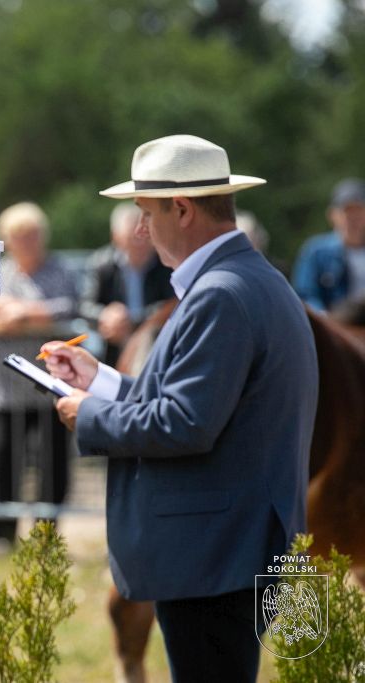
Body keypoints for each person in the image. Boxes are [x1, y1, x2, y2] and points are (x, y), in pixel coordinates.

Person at [42, 134, 317, 682]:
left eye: (147, 214)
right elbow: (197, 403)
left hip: (215, 554)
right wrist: (103, 382)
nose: (141, 230)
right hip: (230, 547)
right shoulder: (249, 279)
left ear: (183, 209)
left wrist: (85, 414)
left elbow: (184, 422)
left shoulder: (220, 292)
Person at [0, 202, 77, 545]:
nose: (26, 241)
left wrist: (22, 314)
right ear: (6, 239)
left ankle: (46, 534)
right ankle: (2, 534)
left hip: (51, 386)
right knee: (4, 462)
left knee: (53, 464)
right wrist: (33, 316)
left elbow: (69, 307)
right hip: (7, 388)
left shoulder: (60, 271)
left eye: (32, 234)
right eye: (19, 235)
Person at [80, 203, 173, 367]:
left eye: (144, 236)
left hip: (155, 342)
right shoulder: (100, 264)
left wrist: (131, 321)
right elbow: (85, 306)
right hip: (110, 345)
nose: (139, 243)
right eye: (132, 238)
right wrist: (106, 316)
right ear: (115, 237)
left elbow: (172, 303)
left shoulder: (166, 264)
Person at [292, 177, 365, 312]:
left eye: (359, 211)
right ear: (332, 215)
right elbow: (305, 296)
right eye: (347, 212)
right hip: (333, 321)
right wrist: (327, 320)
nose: (353, 219)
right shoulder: (316, 252)